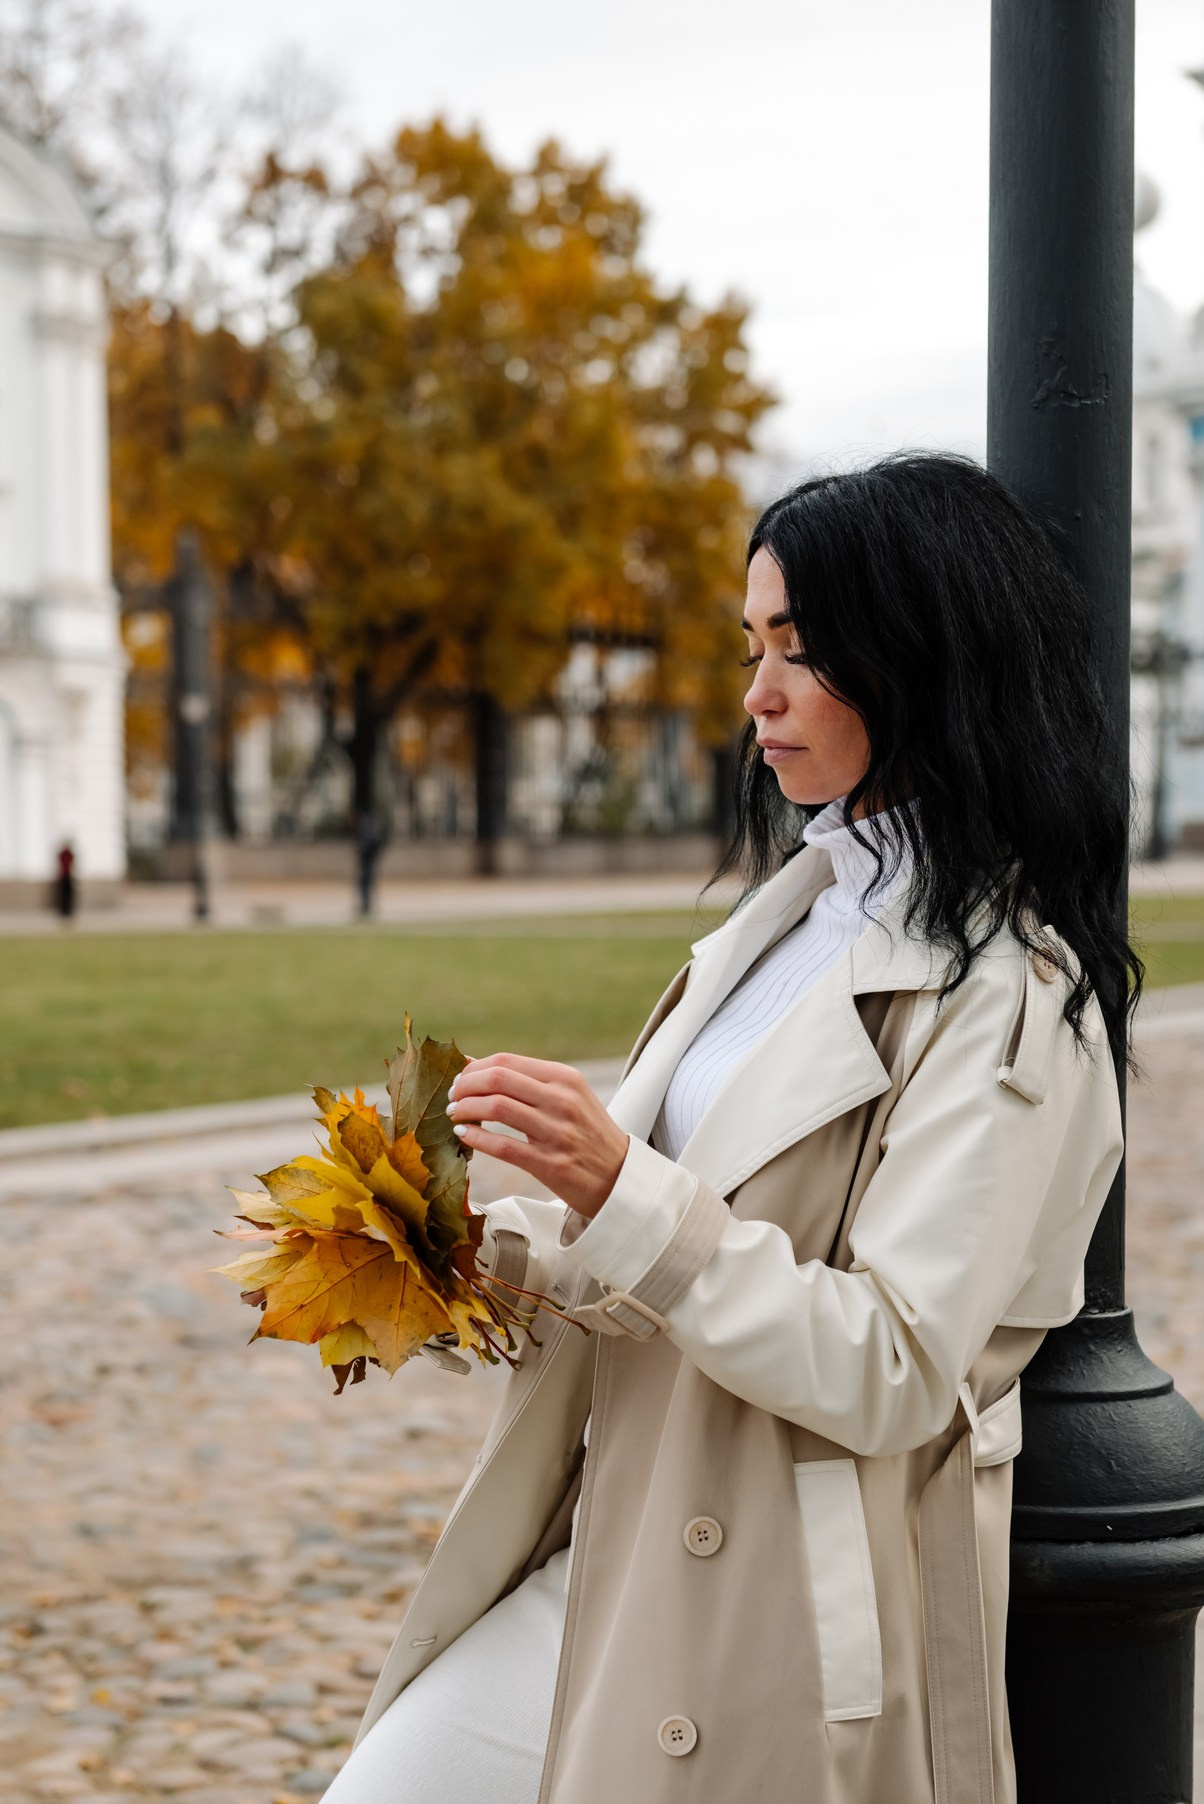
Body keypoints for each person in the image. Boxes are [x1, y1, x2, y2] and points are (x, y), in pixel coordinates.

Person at [325, 452, 1133, 1804]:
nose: (756, 693)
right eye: (753, 646)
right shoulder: (783, 927)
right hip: (622, 1539)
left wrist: (620, 1183)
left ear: (924, 661)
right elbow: (661, 1240)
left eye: (802, 653)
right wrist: (469, 1244)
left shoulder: (1008, 1001)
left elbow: (891, 1364)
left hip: (783, 1590)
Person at [55, 841, 76, 921]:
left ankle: (69, 911)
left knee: (69, 895)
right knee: (62, 895)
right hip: (63, 876)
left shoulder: (69, 854)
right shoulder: (63, 854)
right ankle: (63, 911)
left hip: (68, 876)